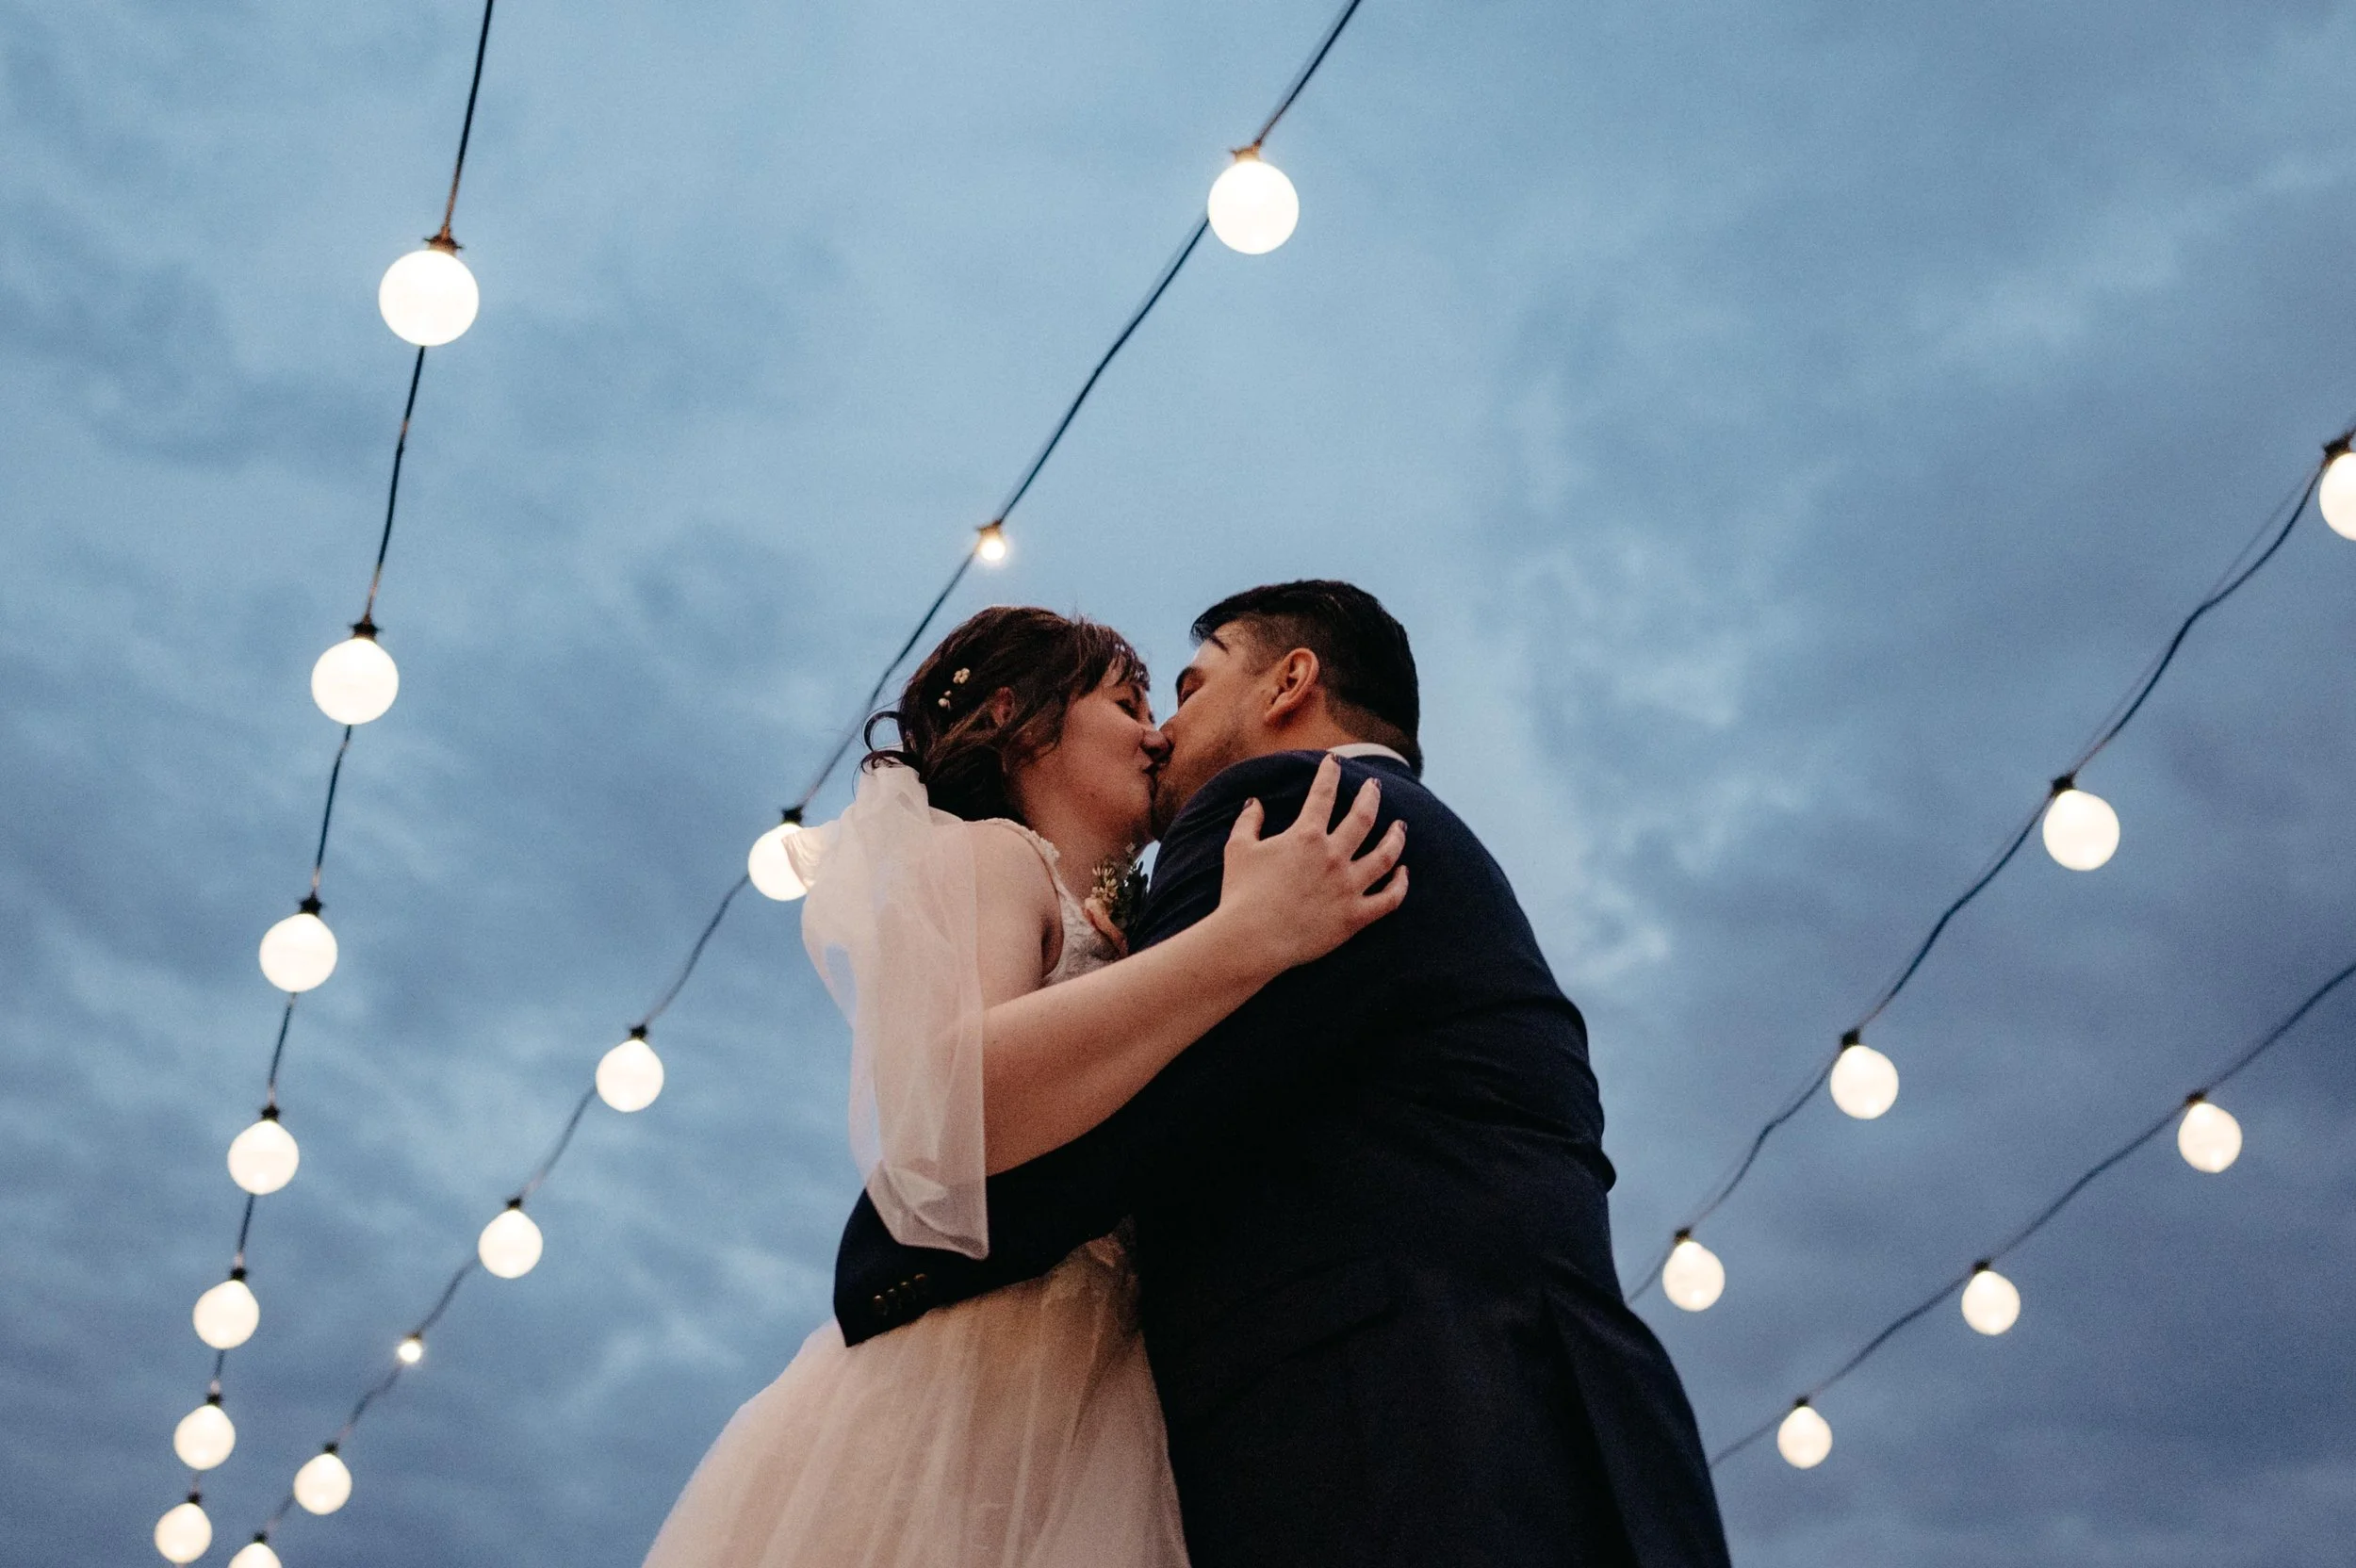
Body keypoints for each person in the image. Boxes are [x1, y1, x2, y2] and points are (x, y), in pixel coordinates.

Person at [837, 581, 1732, 1567]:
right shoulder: (1411, 829)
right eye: (1133, 704)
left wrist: (893, 1252)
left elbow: (1094, 1120)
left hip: (1406, 1441)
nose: (1161, 732)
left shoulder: (1286, 813)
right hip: (1544, 1430)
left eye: (1185, 688)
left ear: (1289, 682)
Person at [642, 605, 1408, 1568]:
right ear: (1015, 718)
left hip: (1110, 1380)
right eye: (1128, 705)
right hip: (985, 1371)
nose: (1157, 736)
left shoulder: (1111, 930)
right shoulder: (990, 855)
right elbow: (959, 1105)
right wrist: (1244, 938)